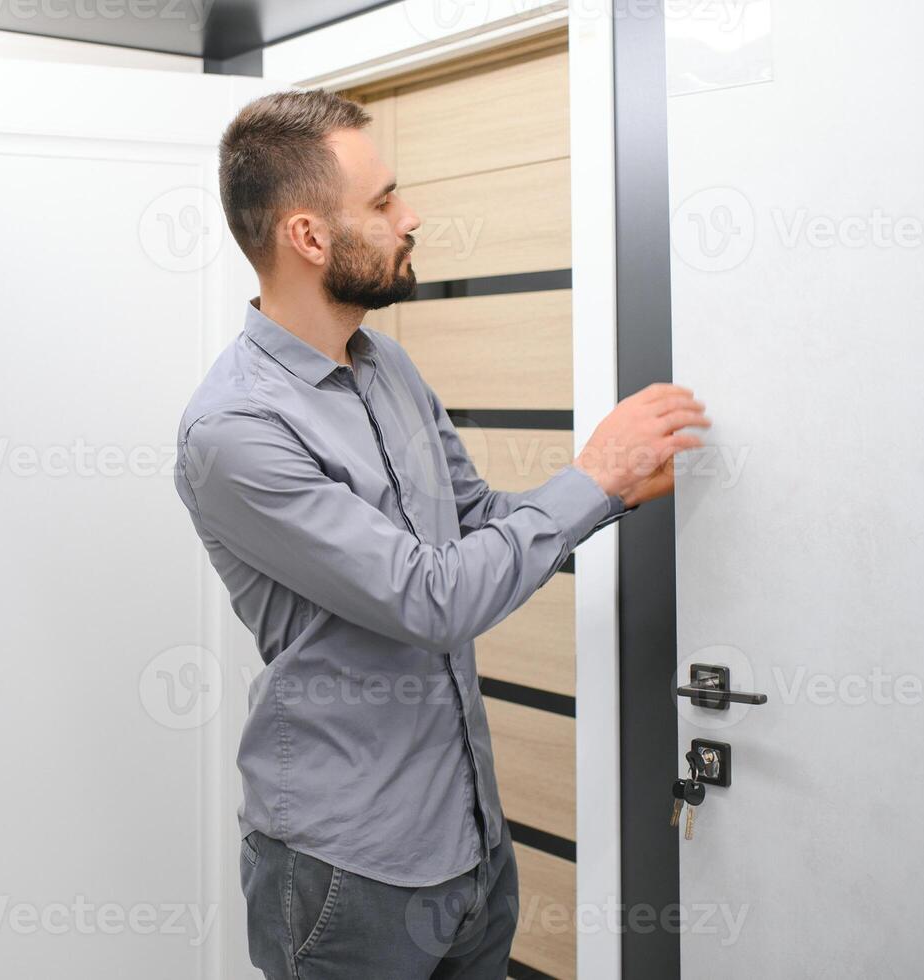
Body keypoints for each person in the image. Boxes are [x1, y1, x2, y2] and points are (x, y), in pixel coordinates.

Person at [173, 89, 710, 980]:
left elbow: (475, 527)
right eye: (382, 201)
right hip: (345, 869)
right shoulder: (235, 431)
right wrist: (593, 477)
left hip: (467, 837)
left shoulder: (385, 365)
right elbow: (430, 599)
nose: (409, 217)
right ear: (307, 237)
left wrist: (616, 490)